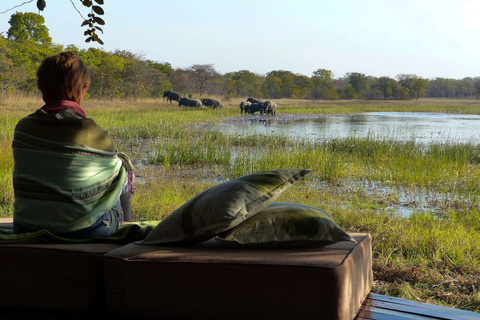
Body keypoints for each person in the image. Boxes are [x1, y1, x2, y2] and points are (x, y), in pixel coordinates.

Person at [12, 52, 134, 239]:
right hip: (85, 231)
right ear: (83, 91)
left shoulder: (23, 128)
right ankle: (128, 221)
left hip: (25, 226)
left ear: (41, 88)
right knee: (123, 169)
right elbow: (111, 180)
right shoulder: (95, 133)